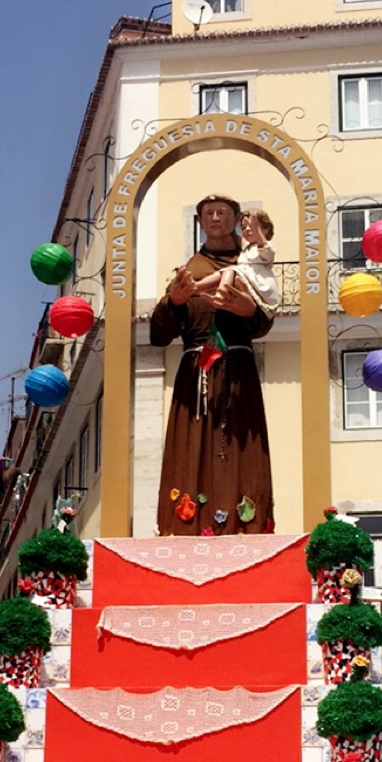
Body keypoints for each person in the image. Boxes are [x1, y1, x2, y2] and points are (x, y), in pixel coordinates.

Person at [150, 193, 275, 536]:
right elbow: (159, 333)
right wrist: (175, 302)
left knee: (242, 446)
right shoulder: (190, 270)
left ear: (235, 219)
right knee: (192, 448)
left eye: (222, 212)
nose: (215, 218)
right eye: (208, 213)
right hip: (196, 372)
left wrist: (247, 310)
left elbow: (264, 320)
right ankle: (189, 525)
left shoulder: (250, 263)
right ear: (201, 222)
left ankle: (245, 524)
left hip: (238, 372)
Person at [190, 208, 279, 320]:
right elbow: (235, 236)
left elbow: (265, 248)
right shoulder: (247, 247)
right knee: (223, 273)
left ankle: (221, 294)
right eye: (244, 228)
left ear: (266, 230)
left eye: (252, 226)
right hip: (245, 279)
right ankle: (195, 287)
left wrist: (256, 229)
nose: (247, 229)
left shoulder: (266, 247)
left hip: (260, 285)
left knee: (230, 270)